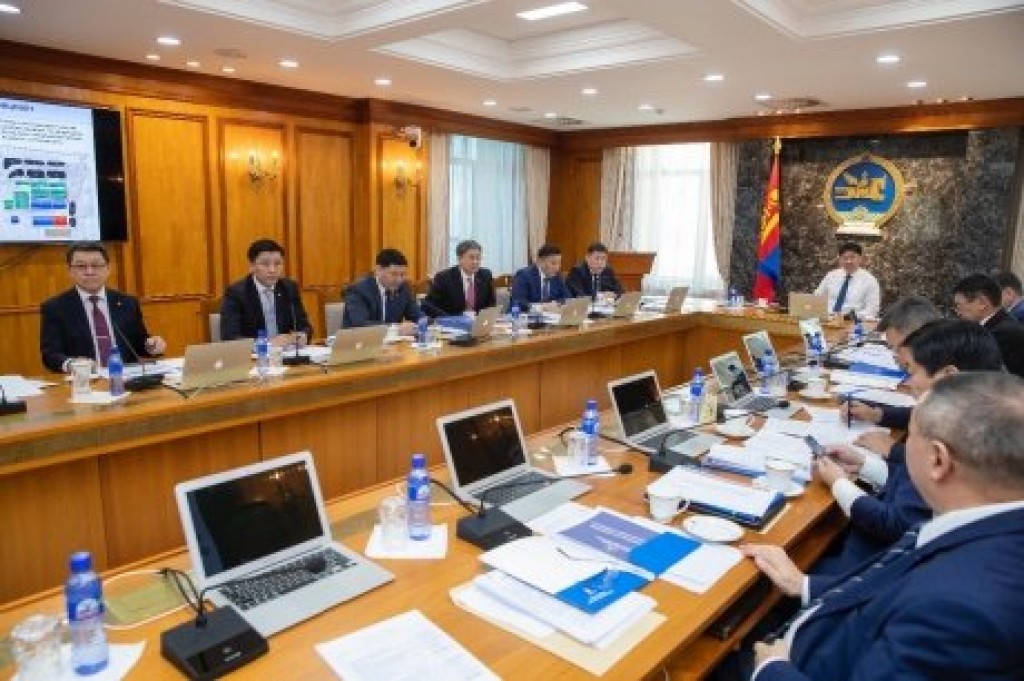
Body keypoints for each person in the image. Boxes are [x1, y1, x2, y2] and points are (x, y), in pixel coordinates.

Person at [739, 371, 1024, 681]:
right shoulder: (981, 525)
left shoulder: (959, 611)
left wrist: (771, 669)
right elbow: (889, 587)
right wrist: (804, 585)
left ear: (938, 461)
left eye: (911, 436)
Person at [816, 320, 1004, 575]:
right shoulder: (984, 420)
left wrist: (838, 483)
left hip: (872, 567)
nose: (908, 382)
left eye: (912, 371)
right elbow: (913, 492)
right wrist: (865, 465)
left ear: (948, 376)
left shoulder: (953, 437)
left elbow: (896, 523)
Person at [40, 242, 166, 372]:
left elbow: (138, 344)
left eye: (96, 265)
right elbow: (50, 355)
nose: (89, 272)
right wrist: (71, 364)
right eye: (81, 266)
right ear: (70, 271)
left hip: (125, 377)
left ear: (108, 269)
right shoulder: (55, 308)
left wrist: (151, 346)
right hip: (85, 379)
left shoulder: (127, 303)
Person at [841, 294, 940, 431]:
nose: (896, 358)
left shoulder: (957, 382)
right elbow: (924, 414)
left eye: (898, 349)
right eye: (892, 349)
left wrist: (890, 446)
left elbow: (938, 426)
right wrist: (876, 415)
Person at [220, 239, 313, 346]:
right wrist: (268, 343)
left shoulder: (289, 288)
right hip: (254, 354)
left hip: (286, 352)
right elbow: (230, 337)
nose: (272, 270)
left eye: (277, 264)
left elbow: (304, 326)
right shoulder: (236, 293)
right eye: (265, 264)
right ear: (252, 266)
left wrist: (303, 336)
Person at [952, 273, 1024, 377]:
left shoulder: (1002, 333)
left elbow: (974, 372)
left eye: (959, 305)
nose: (957, 312)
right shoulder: (1001, 325)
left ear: (982, 303)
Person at [343, 248, 423, 334]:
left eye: (403, 275)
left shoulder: (404, 288)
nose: (399, 280)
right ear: (378, 270)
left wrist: (426, 323)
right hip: (359, 340)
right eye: (394, 274)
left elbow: (417, 316)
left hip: (393, 341)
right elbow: (361, 324)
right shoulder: (358, 290)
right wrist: (396, 328)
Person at [421, 239, 496, 316]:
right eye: (471, 258)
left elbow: (491, 304)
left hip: (479, 321)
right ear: (460, 259)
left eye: (478, 258)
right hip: (452, 321)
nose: (475, 262)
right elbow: (428, 305)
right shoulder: (444, 278)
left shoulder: (485, 275)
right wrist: (448, 319)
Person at [813, 242, 880, 318]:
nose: (848, 261)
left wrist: (848, 317)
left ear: (860, 258)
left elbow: (872, 310)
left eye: (852, 258)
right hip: (828, 319)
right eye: (845, 258)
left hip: (852, 320)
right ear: (840, 259)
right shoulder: (831, 276)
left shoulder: (870, 281)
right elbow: (816, 297)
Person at [510, 244, 569, 312]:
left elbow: (567, 298)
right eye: (553, 263)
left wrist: (556, 304)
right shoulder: (524, 276)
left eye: (559, 263)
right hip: (521, 316)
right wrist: (541, 307)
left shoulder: (557, 277)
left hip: (550, 316)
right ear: (540, 262)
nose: (557, 267)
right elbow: (518, 301)